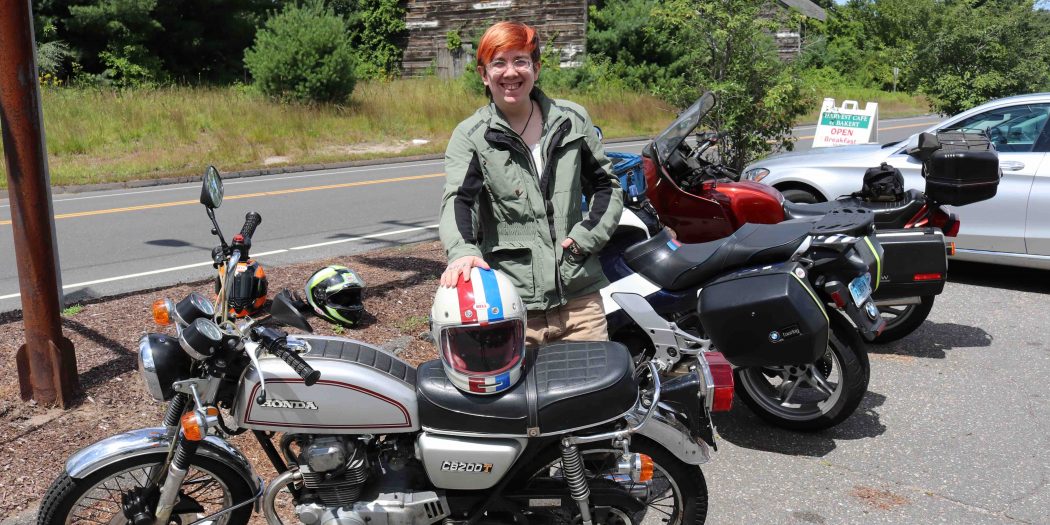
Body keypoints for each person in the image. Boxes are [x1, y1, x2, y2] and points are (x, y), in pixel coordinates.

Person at [438, 21, 623, 348]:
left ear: (536, 68)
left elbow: (605, 186)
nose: (511, 72)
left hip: (580, 303)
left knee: (595, 382)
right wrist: (462, 252)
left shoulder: (572, 120)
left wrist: (584, 238)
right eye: (499, 63)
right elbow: (459, 200)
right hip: (510, 306)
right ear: (484, 74)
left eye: (520, 61)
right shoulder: (472, 136)